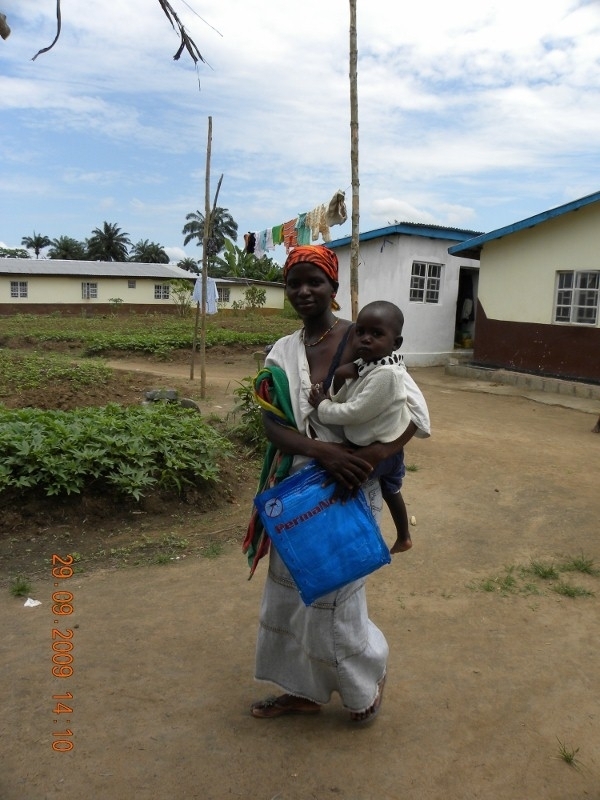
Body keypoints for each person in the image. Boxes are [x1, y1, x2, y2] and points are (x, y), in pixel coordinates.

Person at [245, 245, 430, 724]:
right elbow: (272, 425)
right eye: (294, 283)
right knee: (292, 593)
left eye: (315, 282)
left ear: (333, 287)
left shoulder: (363, 337)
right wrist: (324, 452)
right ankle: (302, 689)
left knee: (336, 598)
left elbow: (415, 410)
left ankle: (364, 684)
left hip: (351, 486)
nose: (304, 291)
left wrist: (378, 454)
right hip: (300, 488)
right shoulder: (281, 351)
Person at [307, 299, 420, 554]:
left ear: (396, 343)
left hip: (379, 447)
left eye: (376, 334)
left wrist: (323, 405)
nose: (365, 339)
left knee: (347, 480)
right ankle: (404, 537)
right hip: (383, 442)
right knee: (391, 490)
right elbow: (349, 391)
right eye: (360, 332)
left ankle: (352, 544)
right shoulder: (370, 364)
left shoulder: (386, 374)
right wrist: (342, 375)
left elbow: (355, 411)